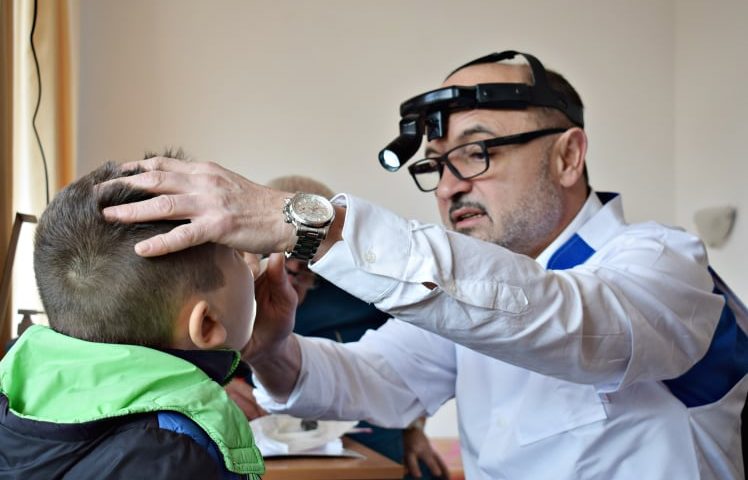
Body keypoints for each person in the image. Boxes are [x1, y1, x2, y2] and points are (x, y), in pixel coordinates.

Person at [102, 51, 748, 479]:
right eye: (437, 165)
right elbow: (379, 378)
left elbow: (577, 324)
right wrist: (274, 352)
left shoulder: (664, 266)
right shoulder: (476, 295)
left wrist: (308, 222)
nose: (449, 185)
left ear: (568, 156)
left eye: (477, 152)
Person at [0, 160, 264, 479]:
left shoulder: (15, 393)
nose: (254, 264)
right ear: (206, 324)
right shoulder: (174, 455)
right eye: (236, 252)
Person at [269, 175, 449, 479]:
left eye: (309, 255)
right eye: (287, 253)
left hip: (367, 427)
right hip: (276, 431)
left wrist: (414, 428)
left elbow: (412, 361)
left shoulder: (363, 283)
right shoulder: (244, 280)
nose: (296, 268)